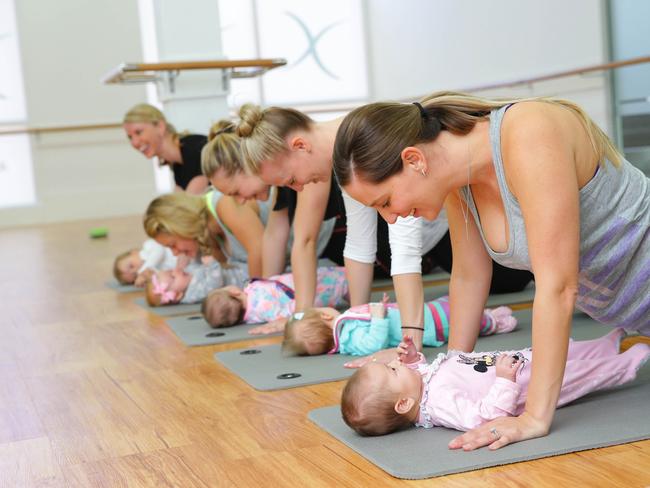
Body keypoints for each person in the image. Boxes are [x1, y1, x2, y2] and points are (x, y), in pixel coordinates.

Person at [332, 91, 650, 449]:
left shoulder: (529, 132)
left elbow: (558, 287)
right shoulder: (458, 183)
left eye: (386, 202)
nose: (390, 218)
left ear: (414, 159)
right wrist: (451, 371)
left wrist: (534, 417)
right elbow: (469, 277)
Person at [234, 104, 531, 354]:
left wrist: (410, 342)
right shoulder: (345, 159)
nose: (298, 188)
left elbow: (404, 250)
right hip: (447, 225)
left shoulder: (364, 142)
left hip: (447, 226)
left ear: (300, 146)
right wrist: (358, 318)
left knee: (517, 271)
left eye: (290, 180)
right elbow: (359, 244)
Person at [341, 331, 649, 437]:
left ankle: (603, 346)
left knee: (557, 351)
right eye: (393, 371)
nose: (394, 363)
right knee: (573, 374)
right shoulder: (440, 405)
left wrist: (410, 360)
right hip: (521, 382)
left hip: (514, 360)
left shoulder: (418, 386)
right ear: (404, 404)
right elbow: (485, 417)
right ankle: (622, 367)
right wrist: (504, 381)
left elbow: (420, 371)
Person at [281, 294, 516, 356]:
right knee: (459, 318)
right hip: (431, 326)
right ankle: (492, 322)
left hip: (421, 314)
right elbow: (374, 343)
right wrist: (379, 317)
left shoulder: (346, 325)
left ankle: (484, 313)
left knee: (451, 304)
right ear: (325, 316)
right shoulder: (349, 338)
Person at [143, 190, 270, 279]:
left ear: (182, 225)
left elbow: (261, 251)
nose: (175, 253)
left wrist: (252, 296)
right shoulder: (210, 237)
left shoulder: (224, 203)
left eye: (172, 245)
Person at [201, 266, 349, 328]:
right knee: (344, 279)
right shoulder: (259, 295)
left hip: (317, 296)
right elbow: (288, 311)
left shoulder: (251, 317)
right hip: (316, 288)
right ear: (234, 292)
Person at [123, 103, 209, 194]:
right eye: (130, 137)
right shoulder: (178, 165)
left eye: (138, 132)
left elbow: (188, 204)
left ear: (160, 126)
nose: (134, 143)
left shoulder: (195, 149)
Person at [145, 260, 247, 306]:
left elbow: (196, 267)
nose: (176, 271)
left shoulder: (187, 279)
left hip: (236, 268)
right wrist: (212, 264)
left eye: (171, 270)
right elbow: (215, 284)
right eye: (173, 276)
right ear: (177, 295)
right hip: (243, 280)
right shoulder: (193, 294)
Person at [113, 238, 177, 287]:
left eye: (131, 266)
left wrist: (143, 271)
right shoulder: (152, 271)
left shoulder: (147, 245)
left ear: (134, 252)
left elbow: (159, 250)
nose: (137, 270)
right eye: (135, 275)